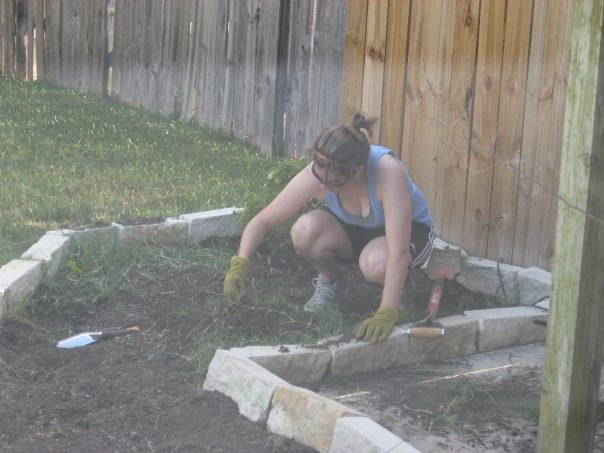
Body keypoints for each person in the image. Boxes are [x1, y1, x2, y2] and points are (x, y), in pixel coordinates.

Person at [224, 112, 436, 344]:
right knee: (304, 230)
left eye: (332, 182)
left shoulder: (386, 172)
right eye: (319, 177)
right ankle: (334, 282)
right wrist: (240, 263)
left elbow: (398, 252)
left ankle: (399, 290)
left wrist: (386, 313)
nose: (322, 186)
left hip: (406, 233)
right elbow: (264, 220)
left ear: (358, 172)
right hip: (357, 228)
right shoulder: (322, 170)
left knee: (378, 265)